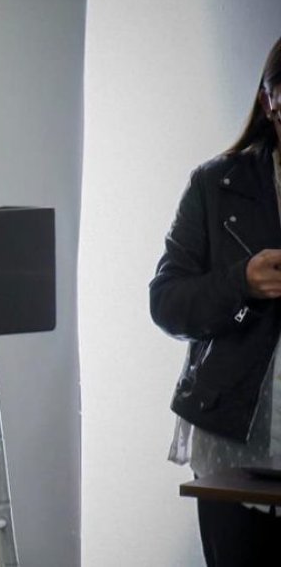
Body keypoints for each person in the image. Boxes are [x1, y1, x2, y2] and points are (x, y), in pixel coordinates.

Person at [151, 35, 281, 565]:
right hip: (236, 443)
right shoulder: (214, 184)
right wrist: (240, 283)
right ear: (268, 99)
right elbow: (167, 302)